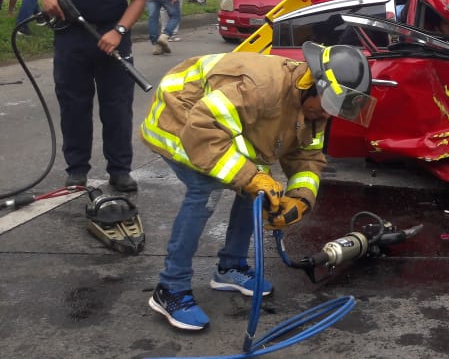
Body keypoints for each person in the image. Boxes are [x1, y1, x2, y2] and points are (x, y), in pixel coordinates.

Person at [141, 42, 375, 331]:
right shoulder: (260, 88)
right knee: (208, 186)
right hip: (181, 116)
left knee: (259, 186)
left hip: (217, 125)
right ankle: (170, 288)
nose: (330, 116)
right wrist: (248, 177)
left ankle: (230, 267)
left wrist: (299, 199)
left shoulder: (316, 106)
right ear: (312, 84)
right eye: (329, 106)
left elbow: (307, 157)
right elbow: (203, 129)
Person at [35, 0, 149, 192]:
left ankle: (120, 169)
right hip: (71, 34)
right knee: (74, 103)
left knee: (117, 106)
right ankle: (77, 169)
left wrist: (120, 31)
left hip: (112, 36)